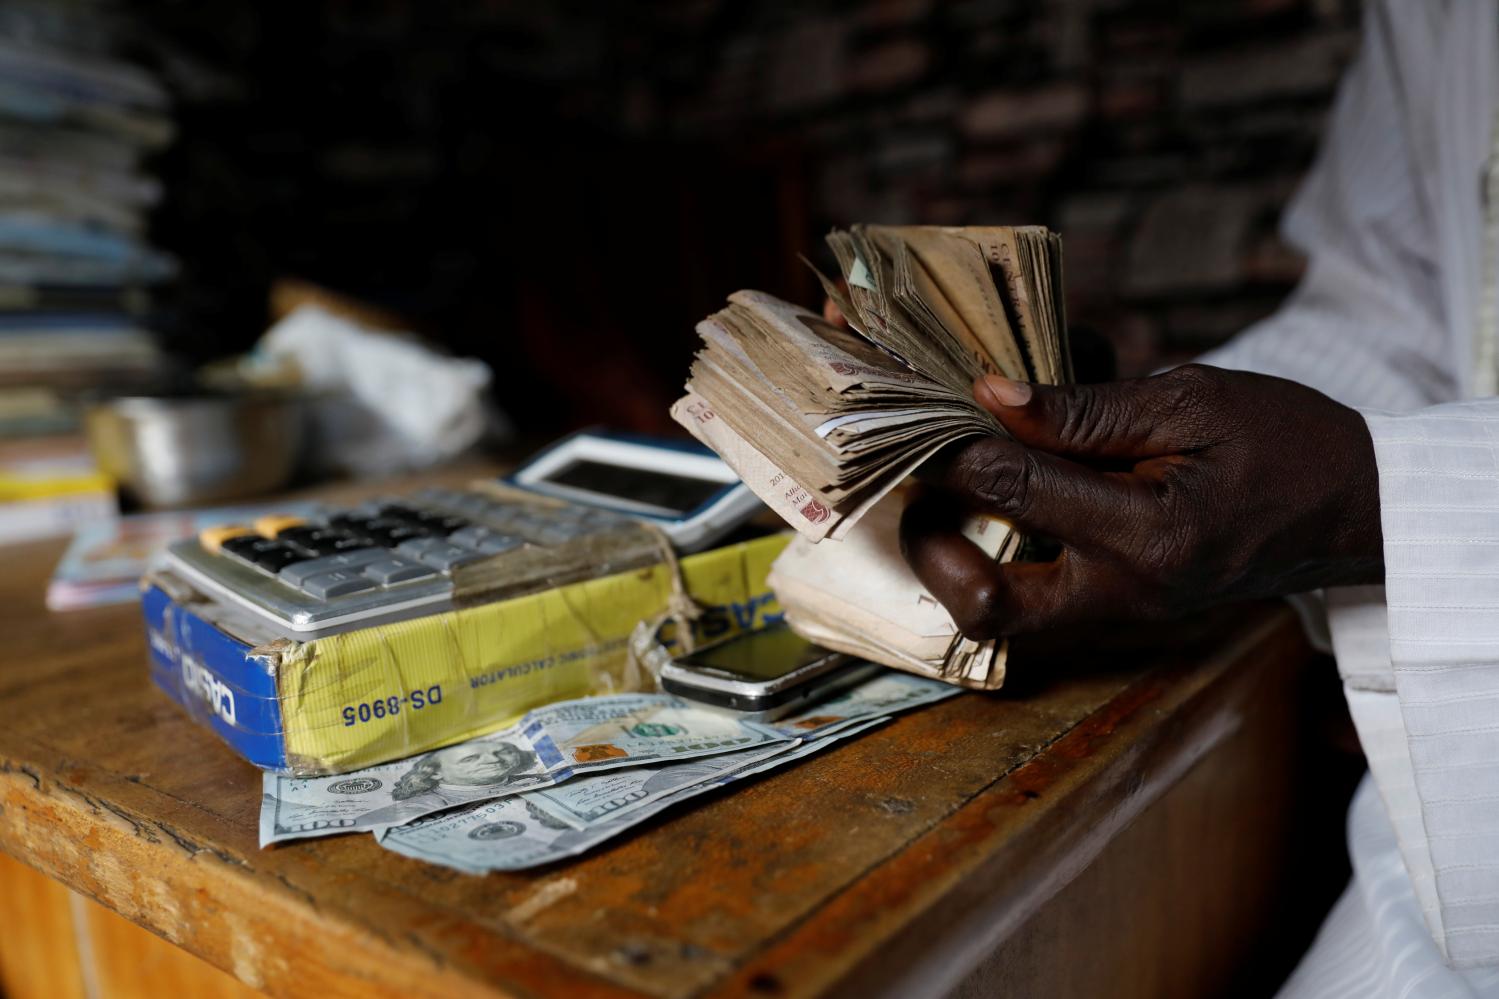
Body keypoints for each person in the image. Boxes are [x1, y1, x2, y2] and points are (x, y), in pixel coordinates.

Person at [889, 3, 1499, 994]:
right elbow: (1387, 307)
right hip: (1439, 838)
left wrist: (1385, 500)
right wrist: (1129, 444)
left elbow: (1369, 465)